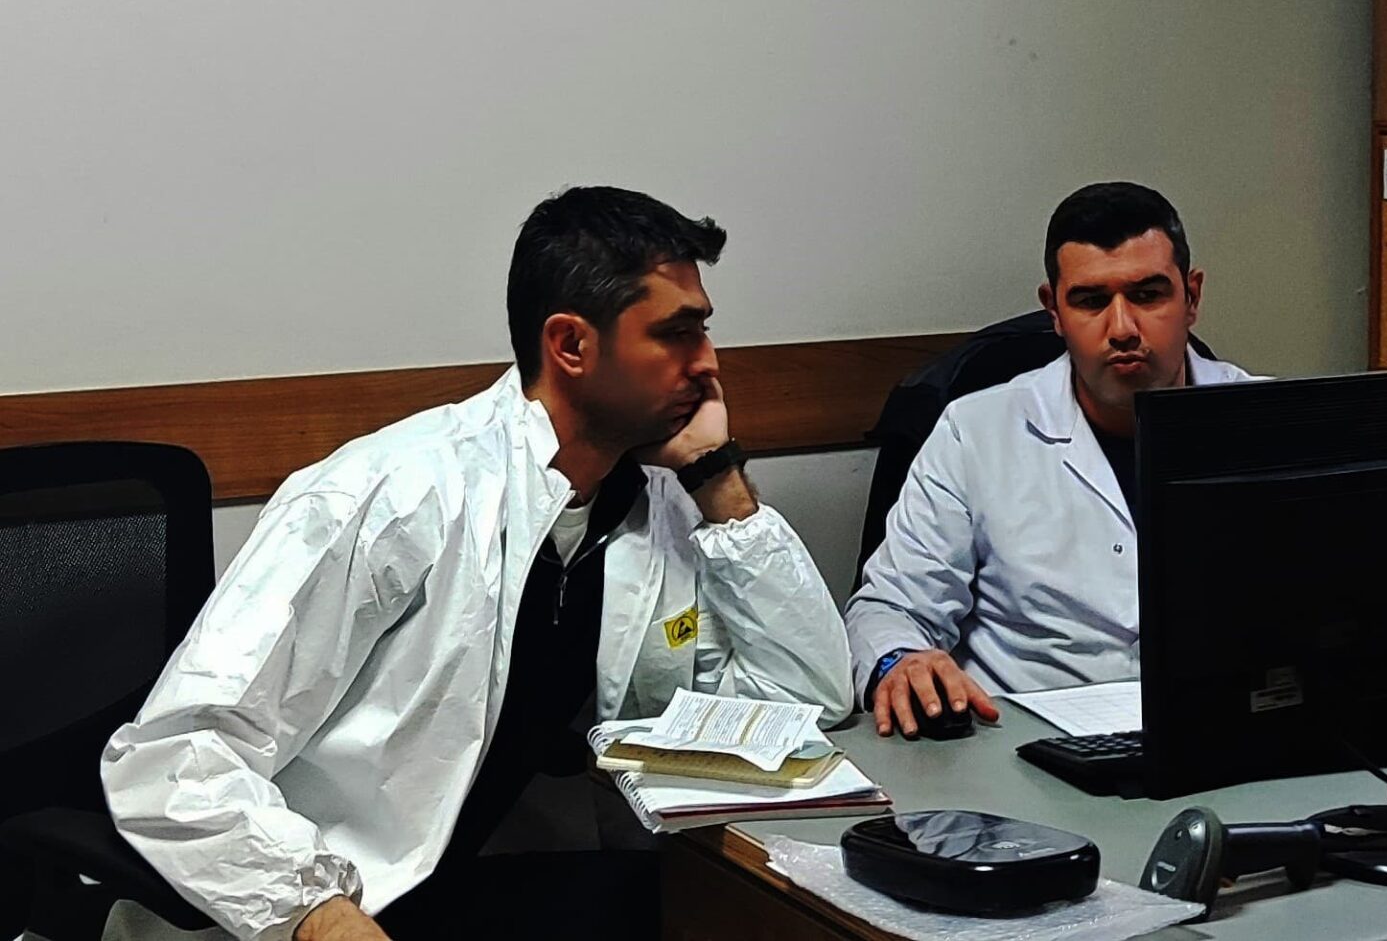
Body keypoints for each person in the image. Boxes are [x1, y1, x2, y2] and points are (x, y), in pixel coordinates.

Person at [101, 187, 856, 941]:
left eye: (704, 329)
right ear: (571, 345)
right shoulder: (394, 495)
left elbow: (807, 700)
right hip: (322, 903)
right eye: (677, 333)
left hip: (500, 874)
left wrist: (719, 481)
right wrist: (318, 916)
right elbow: (175, 758)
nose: (709, 363)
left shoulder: (652, 502)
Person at [846, 181, 1252, 738]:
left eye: (1147, 294)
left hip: (1233, 736)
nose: (1122, 328)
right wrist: (901, 661)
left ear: (1193, 297)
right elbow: (891, 607)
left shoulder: (1271, 425)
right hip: (1027, 748)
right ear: (1054, 311)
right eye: (1090, 301)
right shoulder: (976, 432)